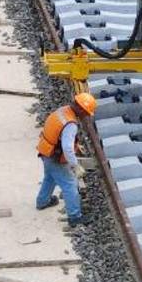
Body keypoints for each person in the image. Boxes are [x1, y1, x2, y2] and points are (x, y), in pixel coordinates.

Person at [35, 92, 98, 226]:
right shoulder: (71, 125)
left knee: (50, 177)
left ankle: (42, 201)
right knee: (69, 184)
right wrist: (75, 165)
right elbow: (67, 148)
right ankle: (74, 217)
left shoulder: (63, 110)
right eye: (86, 113)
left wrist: (76, 145)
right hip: (55, 157)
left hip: (45, 150)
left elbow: (58, 132)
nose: (86, 116)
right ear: (81, 109)